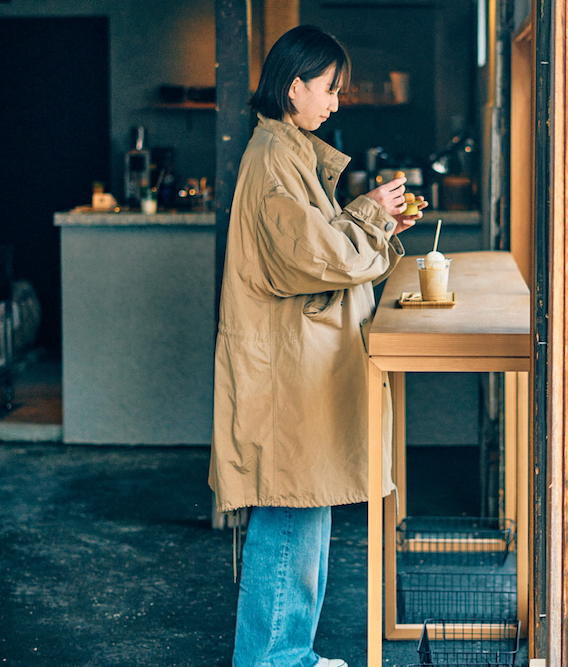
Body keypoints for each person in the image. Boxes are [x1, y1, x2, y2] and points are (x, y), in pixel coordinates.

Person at [208, 25, 425, 667]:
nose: (335, 101)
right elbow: (317, 258)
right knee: (290, 511)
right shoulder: (274, 158)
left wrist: (370, 216)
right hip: (286, 371)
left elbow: (319, 243)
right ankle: (275, 660)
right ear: (294, 85)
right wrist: (372, 219)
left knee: (302, 507)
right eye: (329, 88)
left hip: (294, 365)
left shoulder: (286, 150)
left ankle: (288, 654)